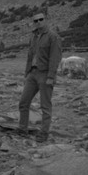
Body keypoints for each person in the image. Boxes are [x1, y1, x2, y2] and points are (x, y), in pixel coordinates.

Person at [18, 12, 62, 142]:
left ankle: (44, 133)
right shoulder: (34, 36)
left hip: (45, 74)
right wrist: (26, 73)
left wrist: (51, 76)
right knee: (23, 102)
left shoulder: (53, 37)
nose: (38, 22)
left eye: (40, 20)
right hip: (33, 73)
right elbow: (30, 56)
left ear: (45, 20)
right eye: (35, 21)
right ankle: (22, 129)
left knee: (45, 106)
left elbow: (55, 58)